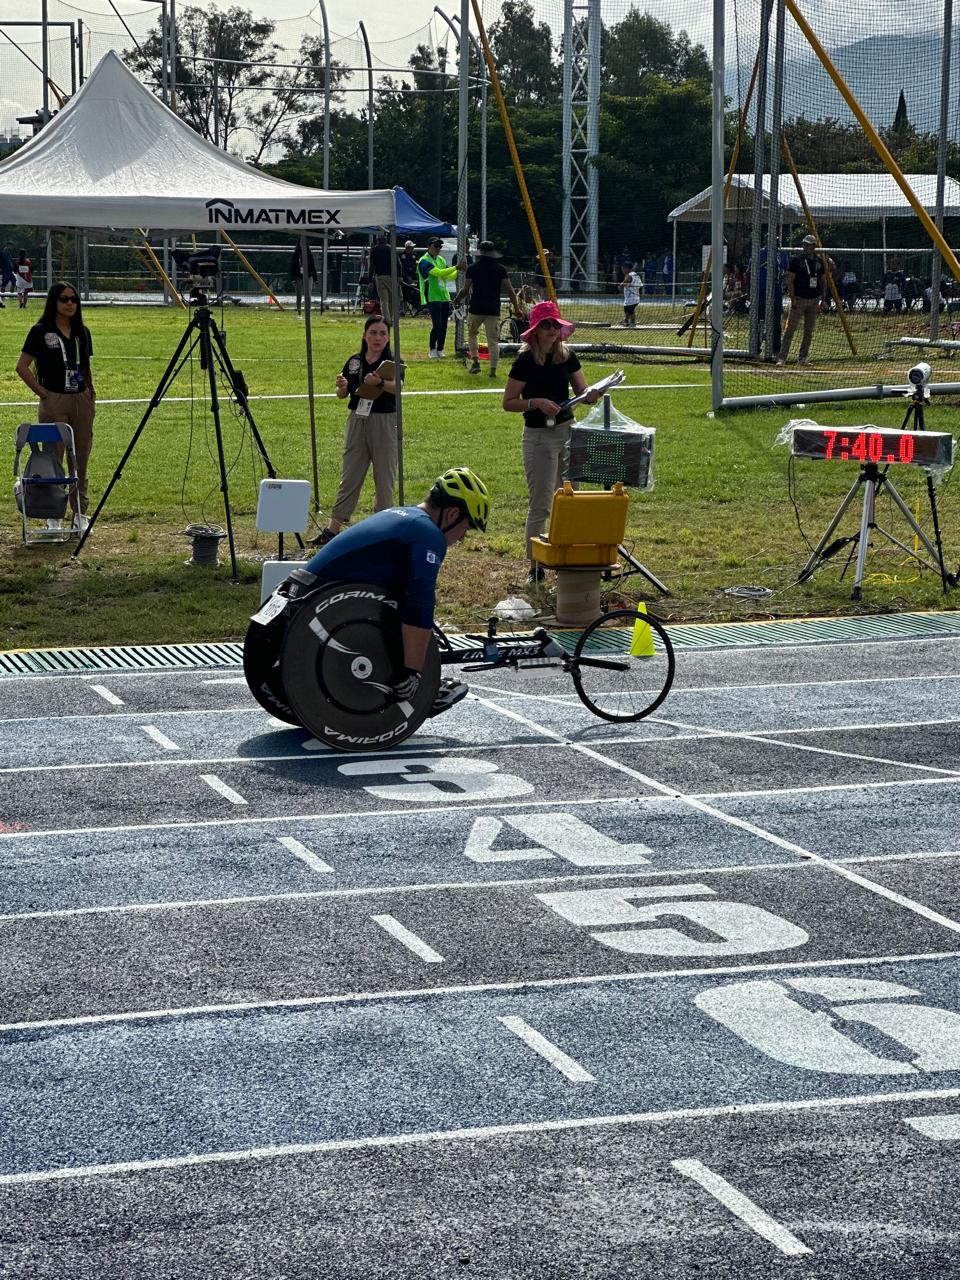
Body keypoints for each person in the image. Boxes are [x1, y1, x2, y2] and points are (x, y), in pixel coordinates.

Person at [301, 467, 490, 717]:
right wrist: (413, 674)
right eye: (465, 530)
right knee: (411, 607)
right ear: (453, 514)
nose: (461, 538)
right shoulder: (429, 534)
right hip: (324, 610)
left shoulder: (403, 514)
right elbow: (420, 603)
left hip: (302, 591)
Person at [502, 300, 600, 584]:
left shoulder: (567, 356)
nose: (552, 331)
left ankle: (567, 554)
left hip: (568, 431)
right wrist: (536, 403)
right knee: (542, 502)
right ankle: (535, 566)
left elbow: (581, 390)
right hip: (539, 437)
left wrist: (591, 393)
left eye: (555, 325)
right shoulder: (524, 361)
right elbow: (508, 402)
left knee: (570, 496)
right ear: (534, 330)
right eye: (546, 325)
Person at [311, 314, 400, 546]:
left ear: (388, 338)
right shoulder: (354, 362)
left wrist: (379, 383)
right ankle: (332, 530)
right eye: (373, 333)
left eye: (382, 333)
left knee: (384, 477)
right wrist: (341, 387)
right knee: (350, 474)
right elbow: (343, 394)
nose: (378, 338)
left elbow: (398, 387)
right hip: (357, 420)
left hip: (384, 422)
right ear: (364, 335)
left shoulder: (391, 363)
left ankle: (383, 530)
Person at [15, 281, 96, 532]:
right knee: (54, 456)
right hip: (55, 399)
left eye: (74, 299)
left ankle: (80, 512)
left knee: (80, 456)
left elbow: (85, 365)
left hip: (81, 398)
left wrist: (91, 391)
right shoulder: (40, 331)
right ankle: (54, 513)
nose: (70, 303)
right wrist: (43, 394)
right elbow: (22, 367)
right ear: (54, 302)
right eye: (64, 299)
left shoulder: (82, 331)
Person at [453, 240, 522, 378]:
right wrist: (517, 308)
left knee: (472, 334)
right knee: (493, 340)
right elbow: (509, 290)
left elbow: (466, 290)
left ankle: (475, 362)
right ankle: (493, 371)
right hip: (493, 308)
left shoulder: (473, 268)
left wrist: (457, 299)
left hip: (476, 307)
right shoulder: (500, 269)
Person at [778, 234, 826, 365]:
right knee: (790, 329)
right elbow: (790, 280)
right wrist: (792, 298)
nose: (805, 247)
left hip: (814, 299)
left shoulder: (819, 262)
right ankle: (782, 357)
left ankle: (803, 357)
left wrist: (824, 298)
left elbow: (823, 280)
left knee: (809, 331)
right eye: (804, 244)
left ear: (813, 247)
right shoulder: (796, 261)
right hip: (799, 299)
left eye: (808, 245)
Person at [418, 237, 457, 359]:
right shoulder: (423, 261)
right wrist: (457, 267)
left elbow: (448, 276)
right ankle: (432, 348)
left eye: (440, 246)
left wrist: (460, 271)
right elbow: (438, 273)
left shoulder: (441, 259)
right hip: (432, 296)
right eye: (436, 246)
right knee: (437, 325)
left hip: (444, 296)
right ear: (429, 246)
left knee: (444, 325)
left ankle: (440, 348)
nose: (438, 249)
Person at [370, 234, 395, 327]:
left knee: (384, 300)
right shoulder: (391, 248)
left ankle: (387, 320)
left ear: (377, 241)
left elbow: (372, 265)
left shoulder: (374, 249)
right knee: (392, 298)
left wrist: (370, 279)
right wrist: (399, 275)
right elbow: (397, 262)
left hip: (379, 276)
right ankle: (391, 317)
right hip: (391, 276)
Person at [289, 242, 317, 317]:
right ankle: (299, 312)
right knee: (299, 295)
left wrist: (315, 279)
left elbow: (312, 266)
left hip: (308, 276)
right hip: (298, 276)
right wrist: (292, 278)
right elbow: (292, 267)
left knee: (308, 295)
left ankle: (308, 313)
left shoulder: (309, 254)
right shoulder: (295, 254)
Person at [398, 240, 420, 314]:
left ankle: (417, 308)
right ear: (407, 247)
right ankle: (403, 310)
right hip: (404, 277)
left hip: (413, 276)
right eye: (411, 247)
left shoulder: (415, 255)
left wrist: (415, 278)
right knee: (404, 293)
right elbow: (400, 268)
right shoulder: (401, 255)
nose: (412, 249)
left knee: (416, 291)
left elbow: (417, 265)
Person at [620, 261, 641, 326]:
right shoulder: (636, 275)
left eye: (623, 269)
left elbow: (622, 284)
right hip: (636, 296)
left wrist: (622, 284)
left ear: (627, 268)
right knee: (628, 310)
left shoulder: (629, 275)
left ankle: (632, 322)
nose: (622, 270)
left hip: (631, 298)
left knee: (630, 310)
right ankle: (626, 321)